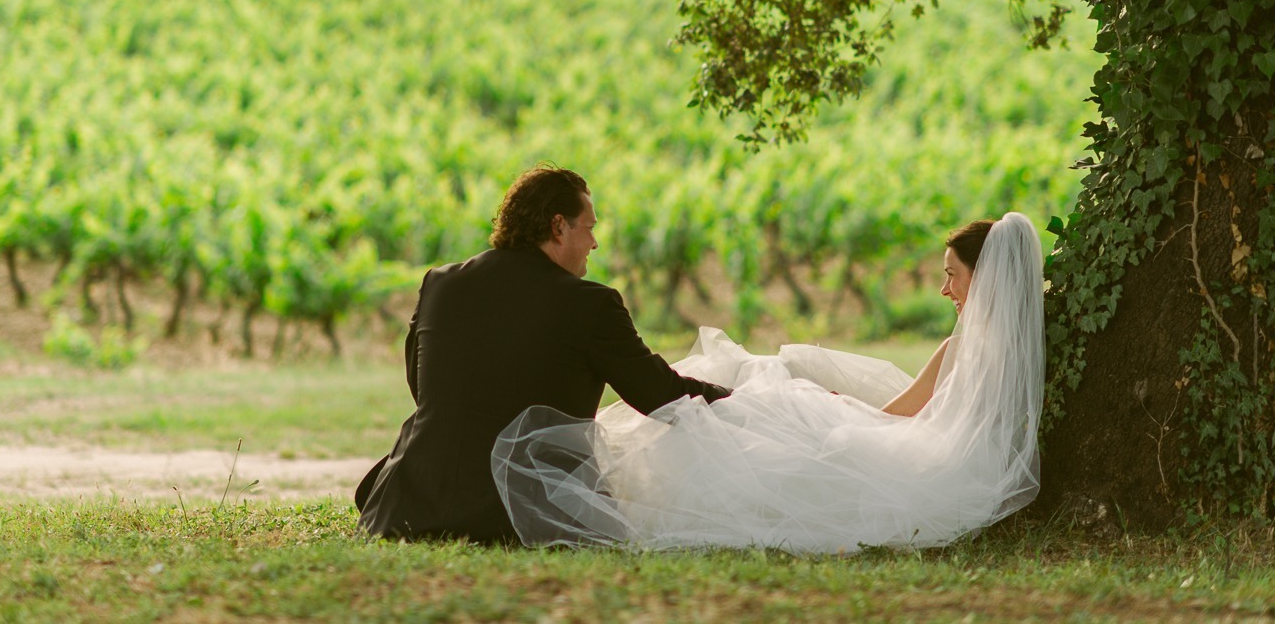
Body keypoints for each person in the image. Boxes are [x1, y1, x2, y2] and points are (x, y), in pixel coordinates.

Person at [491, 213, 1045, 553]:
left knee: (789, 409)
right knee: (789, 398)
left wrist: (836, 410)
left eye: (952, 274)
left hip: (927, 451)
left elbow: (899, 416)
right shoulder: (1008, 350)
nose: (946, 290)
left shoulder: (960, 346)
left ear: (985, 276)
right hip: (956, 457)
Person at [354, 165, 731, 543]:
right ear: (558, 226)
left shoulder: (441, 283)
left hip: (411, 505)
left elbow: (420, 385)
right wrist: (733, 398)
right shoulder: (590, 304)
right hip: (520, 513)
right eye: (589, 227)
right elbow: (658, 395)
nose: (595, 243)